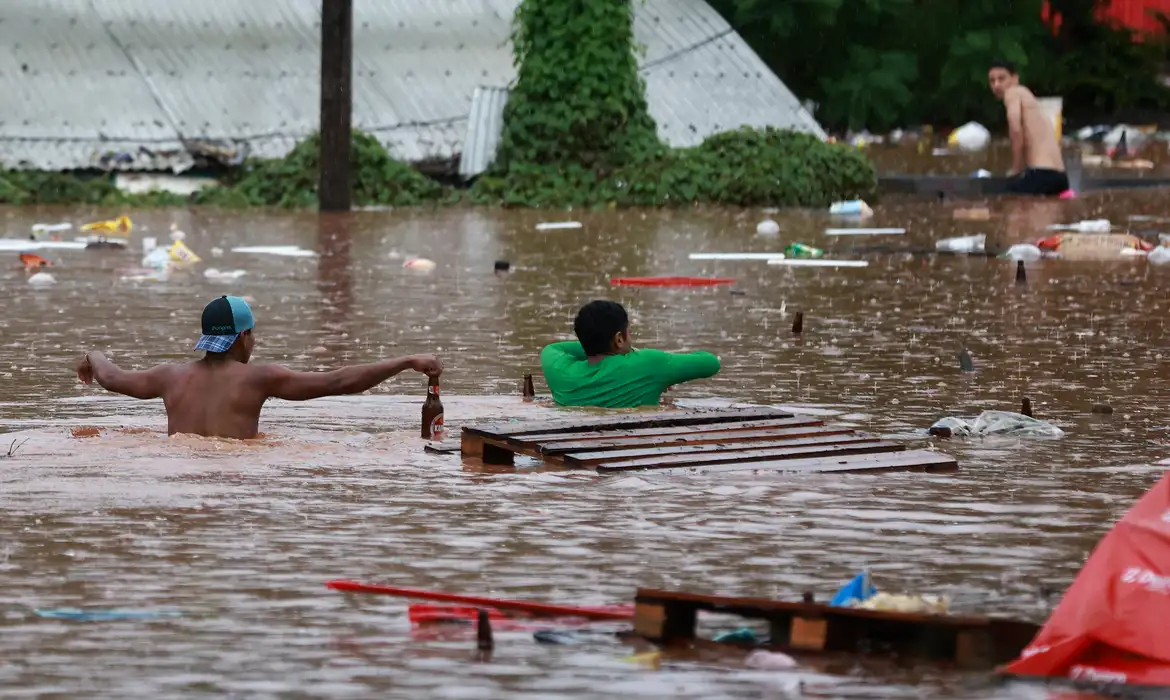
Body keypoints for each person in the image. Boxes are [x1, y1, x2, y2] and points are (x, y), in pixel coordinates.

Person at [75, 295, 442, 439]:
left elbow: (111, 377)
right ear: (242, 337)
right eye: (253, 336)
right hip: (237, 477)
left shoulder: (169, 376)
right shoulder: (259, 378)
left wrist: (93, 355)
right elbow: (340, 381)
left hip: (178, 471)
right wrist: (406, 361)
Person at [540, 300, 720, 408]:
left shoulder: (560, 371)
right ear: (619, 339)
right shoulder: (648, 364)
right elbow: (711, 363)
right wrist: (640, 357)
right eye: (629, 332)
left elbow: (554, 348)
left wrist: (592, 344)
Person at [988, 60, 1069, 196]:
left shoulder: (1013, 92)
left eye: (1001, 78)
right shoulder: (1032, 102)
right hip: (1060, 177)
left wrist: (1015, 168)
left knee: (1002, 202)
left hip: (1042, 174)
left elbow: (1015, 129)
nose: (996, 85)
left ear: (1015, 79)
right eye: (992, 81)